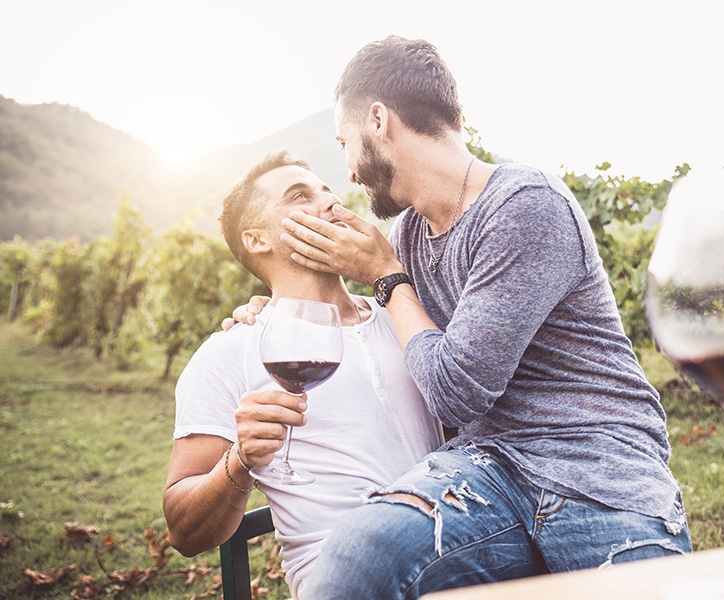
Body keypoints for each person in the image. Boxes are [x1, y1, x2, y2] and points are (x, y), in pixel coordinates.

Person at [236, 35, 691, 599]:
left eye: (345, 142)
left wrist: (386, 276)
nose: (349, 172)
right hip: (487, 473)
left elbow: (455, 392)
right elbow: (385, 329)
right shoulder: (405, 238)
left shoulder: (525, 204)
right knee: (356, 559)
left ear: (378, 120)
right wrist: (272, 304)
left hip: (597, 468)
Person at [162, 150, 443, 599]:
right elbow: (183, 531)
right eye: (299, 197)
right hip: (345, 575)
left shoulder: (405, 317)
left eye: (327, 191)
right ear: (257, 240)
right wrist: (241, 461)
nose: (329, 203)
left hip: (459, 546)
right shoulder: (230, 353)